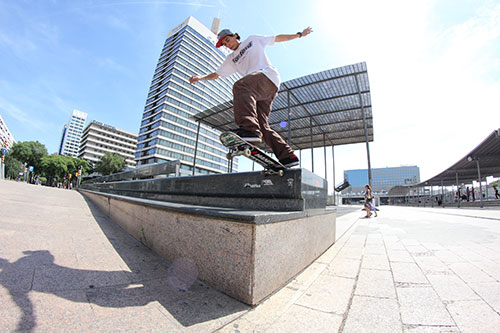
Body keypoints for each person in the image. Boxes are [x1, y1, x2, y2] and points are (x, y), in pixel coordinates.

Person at [189, 27, 313, 167]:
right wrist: (200, 78)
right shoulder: (231, 59)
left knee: (240, 86)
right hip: (259, 92)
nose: (228, 45)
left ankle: (249, 130)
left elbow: (276, 38)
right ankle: (288, 156)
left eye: (228, 40)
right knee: (262, 125)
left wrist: (299, 35)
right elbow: (216, 74)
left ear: (235, 36)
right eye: (225, 44)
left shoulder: (252, 40)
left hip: (266, 76)